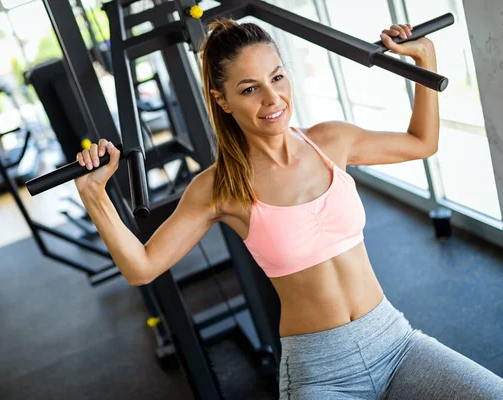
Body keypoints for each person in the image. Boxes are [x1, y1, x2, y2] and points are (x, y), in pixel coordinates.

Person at [74, 20, 503, 399]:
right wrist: (95, 196)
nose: (272, 98)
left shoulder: (331, 140)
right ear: (221, 100)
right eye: (249, 89)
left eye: (277, 77)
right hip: (320, 374)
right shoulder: (219, 187)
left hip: (395, 340)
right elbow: (142, 267)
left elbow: (421, 143)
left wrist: (424, 57)